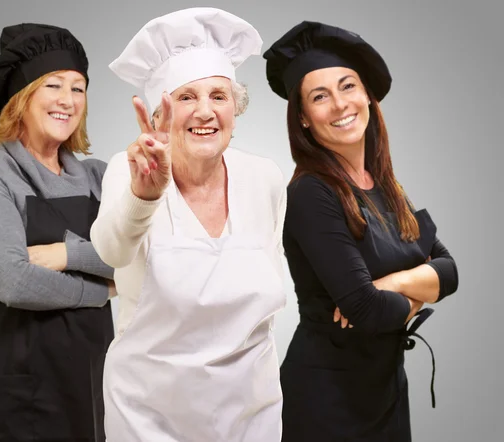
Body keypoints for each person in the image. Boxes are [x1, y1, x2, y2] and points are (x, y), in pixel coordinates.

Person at [90, 7, 287, 442]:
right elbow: (111, 251)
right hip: (149, 415)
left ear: (236, 109)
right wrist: (146, 193)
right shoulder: (131, 170)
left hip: (251, 414)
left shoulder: (265, 178)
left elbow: (272, 281)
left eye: (219, 96)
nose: (205, 112)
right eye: (185, 98)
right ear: (159, 118)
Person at [263, 20, 459, 441]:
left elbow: (449, 270)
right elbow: (368, 313)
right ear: (303, 118)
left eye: (347, 86)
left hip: (384, 392)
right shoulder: (310, 194)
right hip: (326, 401)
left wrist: (392, 283)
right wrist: (412, 293)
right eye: (320, 96)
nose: (339, 104)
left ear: (367, 94)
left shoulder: (386, 185)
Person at [0, 23, 115, 442]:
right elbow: (14, 281)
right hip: (12, 395)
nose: (68, 100)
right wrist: (100, 289)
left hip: (90, 385)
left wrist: (65, 255)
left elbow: (139, 256)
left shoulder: (100, 177)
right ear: (20, 98)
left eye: (78, 88)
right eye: (54, 85)